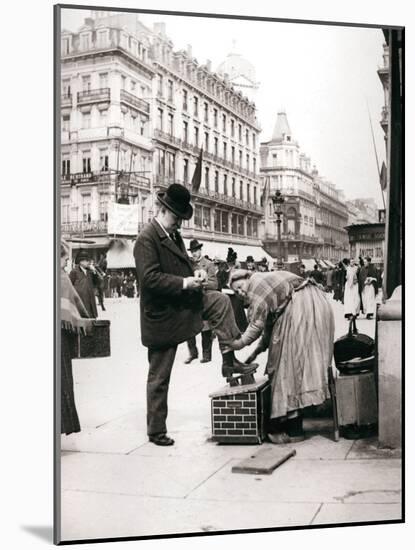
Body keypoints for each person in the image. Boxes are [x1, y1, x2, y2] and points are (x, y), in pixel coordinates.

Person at [134, 183, 256, 446]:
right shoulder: (146, 239)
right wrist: (184, 283)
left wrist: (195, 274)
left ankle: (229, 359)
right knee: (159, 375)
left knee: (221, 301)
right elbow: (149, 279)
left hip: (182, 304)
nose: (180, 224)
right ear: (164, 210)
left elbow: (184, 264)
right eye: (177, 218)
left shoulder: (172, 235)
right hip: (162, 314)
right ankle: (156, 431)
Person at [228, 269, 334, 444]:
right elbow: (269, 328)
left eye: (240, 287)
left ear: (247, 278)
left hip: (303, 307)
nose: (240, 292)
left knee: (288, 366)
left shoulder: (256, 284)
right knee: (292, 364)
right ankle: (293, 424)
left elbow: (256, 326)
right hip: (311, 304)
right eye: (236, 292)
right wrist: (255, 353)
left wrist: (237, 344)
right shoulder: (265, 287)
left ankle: (291, 426)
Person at [60, 241, 93, 435]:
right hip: (61, 336)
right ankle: (64, 424)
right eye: (65, 258)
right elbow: (75, 302)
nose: (66, 262)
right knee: (63, 379)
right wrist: (87, 319)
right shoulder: (62, 276)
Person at [184, 239, 218, 364]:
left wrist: (202, 283)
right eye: (192, 251)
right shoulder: (189, 264)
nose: (194, 254)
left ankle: (206, 354)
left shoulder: (209, 264)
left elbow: (215, 284)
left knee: (205, 327)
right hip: (191, 300)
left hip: (203, 299)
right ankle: (192, 353)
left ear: (200, 250)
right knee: (188, 327)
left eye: (196, 251)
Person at [69, 250, 98, 318]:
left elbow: (97, 283)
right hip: (81, 301)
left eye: (89, 260)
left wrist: (94, 272)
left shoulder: (90, 272)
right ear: (80, 261)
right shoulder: (74, 272)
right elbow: (70, 286)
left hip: (90, 301)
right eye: (86, 260)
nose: (89, 262)